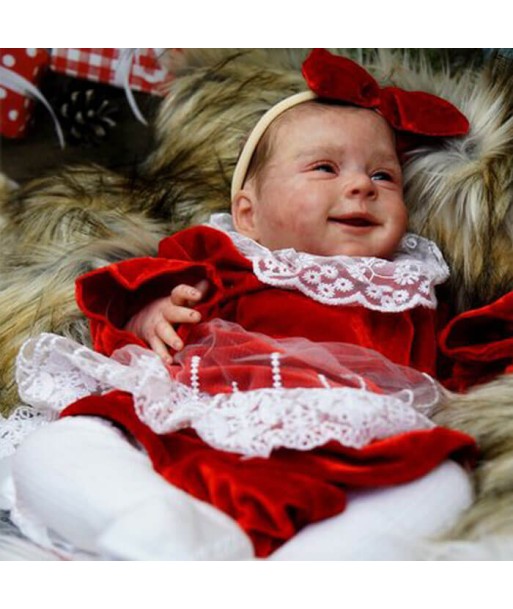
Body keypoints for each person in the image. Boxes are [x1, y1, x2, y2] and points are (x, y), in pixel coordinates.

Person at [6, 50, 477, 561]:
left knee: (444, 481)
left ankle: (307, 565)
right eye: (325, 168)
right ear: (248, 214)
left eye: (385, 177)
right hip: (198, 422)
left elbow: (459, 354)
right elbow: (134, 293)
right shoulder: (228, 256)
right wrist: (151, 313)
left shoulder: (411, 281)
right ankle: (151, 526)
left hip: (351, 446)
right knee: (60, 444)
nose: (362, 185)